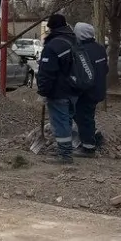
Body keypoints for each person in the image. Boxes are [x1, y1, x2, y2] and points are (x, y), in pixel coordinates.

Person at [37, 14, 80, 164]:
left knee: (60, 122)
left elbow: (47, 73)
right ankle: (66, 150)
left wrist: (43, 92)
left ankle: (65, 155)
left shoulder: (53, 46)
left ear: (51, 27)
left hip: (59, 91)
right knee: (66, 120)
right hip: (74, 90)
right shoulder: (72, 41)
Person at [72, 22, 109, 157]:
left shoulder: (82, 51)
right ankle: (92, 137)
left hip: (87, 91)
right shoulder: (100, 48)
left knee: (83, 116)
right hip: (99, 89)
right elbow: (105, 69)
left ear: (80, 34)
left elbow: (80, 73)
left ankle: (88, 148)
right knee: (87, 114)